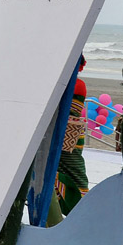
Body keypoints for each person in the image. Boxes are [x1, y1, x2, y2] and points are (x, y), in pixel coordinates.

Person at [54, 73, 89, 216]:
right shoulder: (77, 84)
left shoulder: (74, 84)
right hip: (69, 130)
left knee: (69, 169)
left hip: (67, 130)